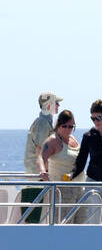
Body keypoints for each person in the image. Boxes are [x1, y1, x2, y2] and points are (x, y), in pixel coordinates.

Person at [21, 92, 62, 222]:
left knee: (35, 212)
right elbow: (40, 149)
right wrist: (44, 171)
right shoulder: (43, 123)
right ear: (48, 105)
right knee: (33, 215)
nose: (58, 105)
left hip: (37, 174)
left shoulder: (44, 121)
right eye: (56, 102)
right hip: (38, 175)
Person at [34, 110, 80, 220]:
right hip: (62, 190)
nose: (68, 129)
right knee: (64, 226)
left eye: (71, 126)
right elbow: (40, 158)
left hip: (80, 188)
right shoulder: (52, 140)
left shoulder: (72, 139)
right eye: (65, 126)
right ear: (58, 124)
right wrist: (42, 171)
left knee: (82, 226)